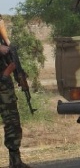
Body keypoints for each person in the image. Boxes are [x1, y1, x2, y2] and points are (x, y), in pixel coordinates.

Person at [0, 16, 31, 168]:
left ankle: (15, 161)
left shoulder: (6, 44)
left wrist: (19, 74)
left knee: (12, 122)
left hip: (4, 86)